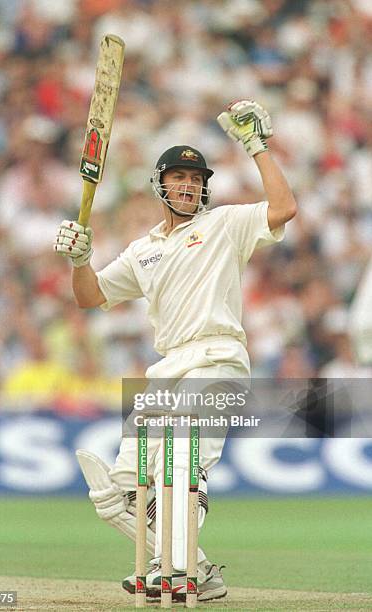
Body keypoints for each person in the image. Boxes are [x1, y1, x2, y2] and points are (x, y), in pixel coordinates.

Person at [54, 100, 297, 602]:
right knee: (118, 493)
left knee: (182, 463)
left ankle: (176, 565)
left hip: (219, 360)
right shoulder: (143, 250)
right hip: (167, 371)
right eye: (179, 177)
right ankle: (198, 570)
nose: (189, 185)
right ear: (159, 184)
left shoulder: (225, 225)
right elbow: (90, 297)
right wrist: (81, 258)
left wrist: (256, 147)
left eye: (196, 178)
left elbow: (283, 209)